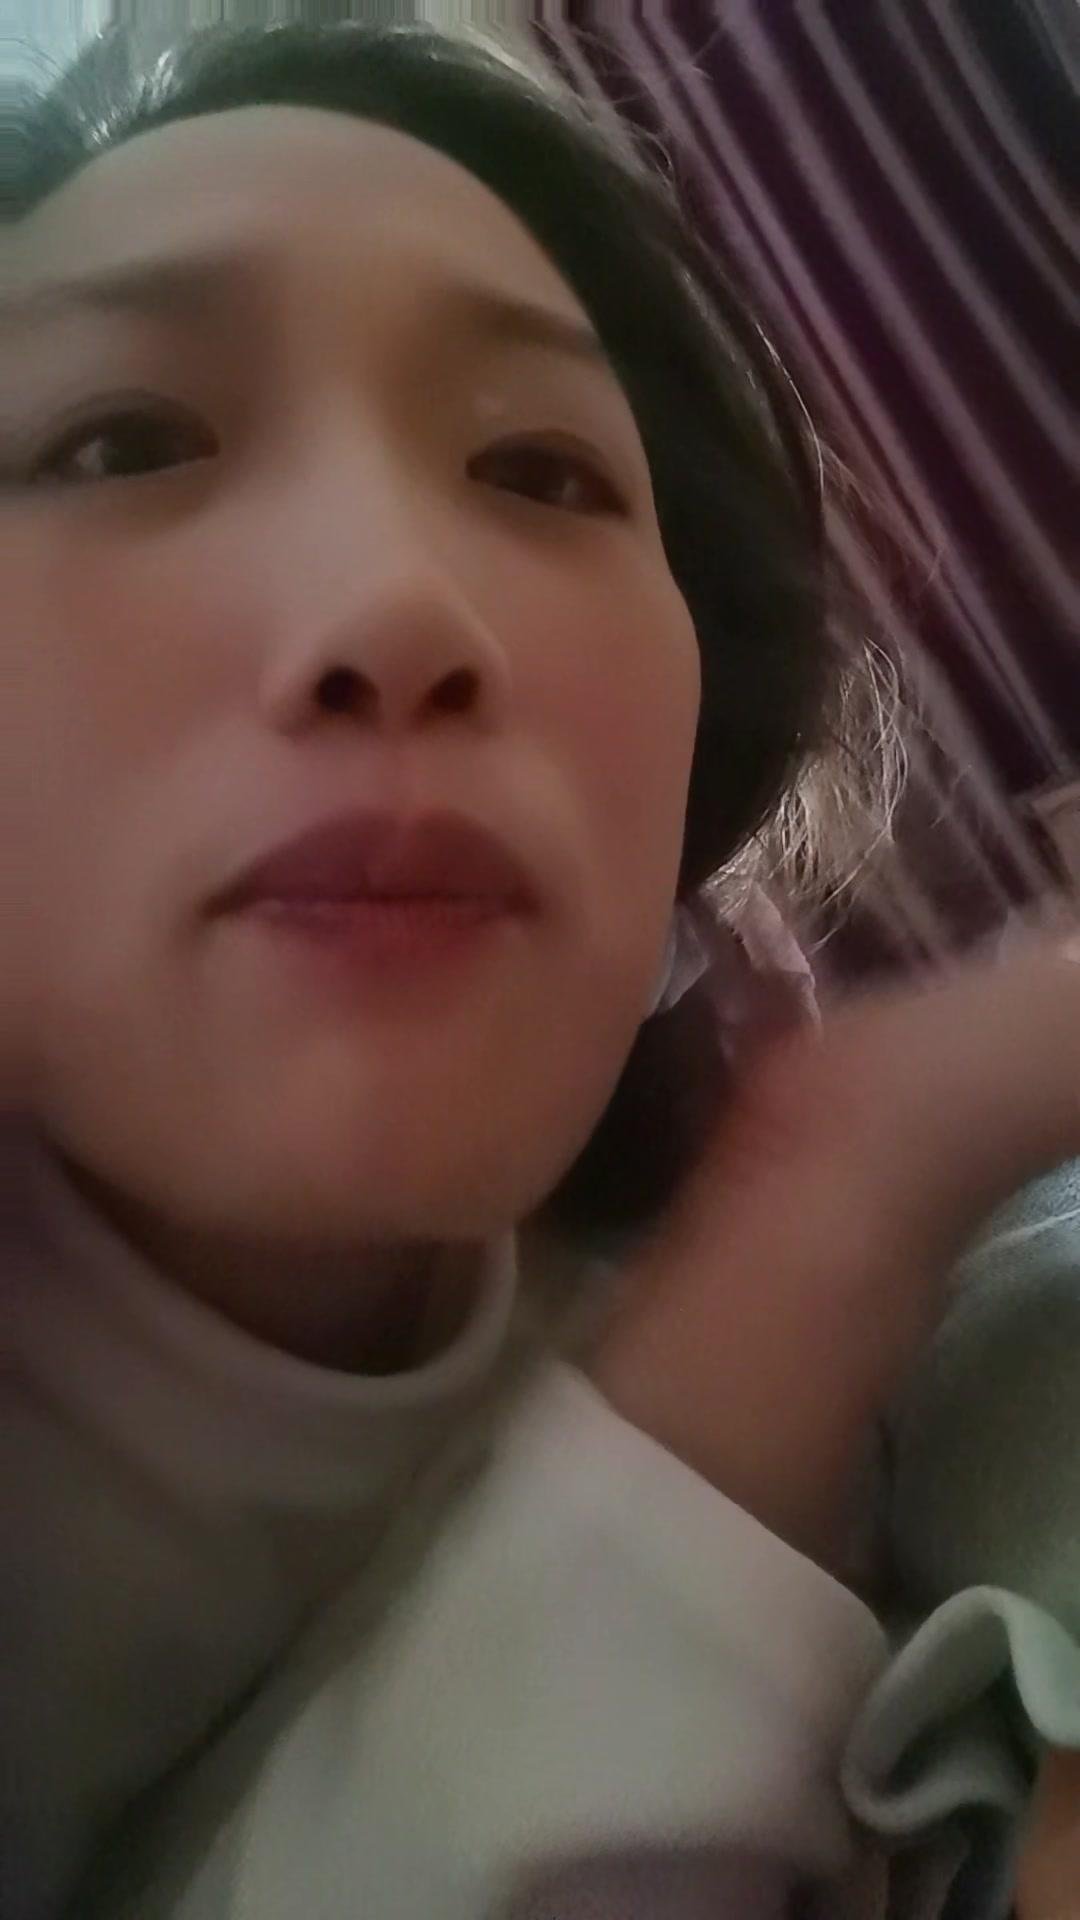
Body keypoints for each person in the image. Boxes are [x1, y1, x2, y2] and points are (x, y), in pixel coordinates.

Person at [3, 21, 1077, 1920]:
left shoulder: (840, 1365)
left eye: (541, 468)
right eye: (124, 441)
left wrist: (852, 1174)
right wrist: (830, 1205)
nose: (401, 602)